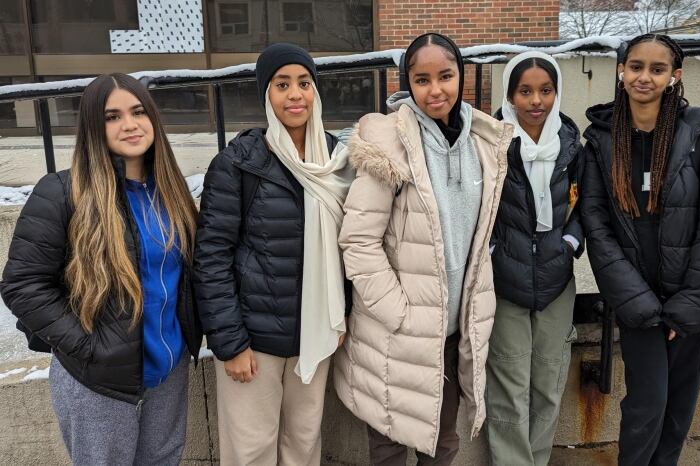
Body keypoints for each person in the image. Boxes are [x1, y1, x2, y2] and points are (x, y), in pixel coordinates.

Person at [0, 73, 202, 466]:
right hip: (98, 379)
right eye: (112, 116)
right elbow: (23, 284)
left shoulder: (171, 192)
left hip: (167, 370)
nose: (129, 124)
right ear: (94, 126)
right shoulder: (61, 192)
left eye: (138, 111)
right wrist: (87, 347)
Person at [333, 32, 513, 465]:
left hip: (453, 333)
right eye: (422, 79)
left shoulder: (483, 143)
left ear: (461, 77)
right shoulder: (389, 143)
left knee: (443, 444)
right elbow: (358, 240)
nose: (436, 90)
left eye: (446, 76)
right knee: (390, 447)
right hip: (397, 333)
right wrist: (399, 311)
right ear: (407, 83)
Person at [580, 33, 700, 466]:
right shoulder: (601, 141)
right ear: (621, 72)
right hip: (639, 305)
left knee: (677, 414)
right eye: (636, 66)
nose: (644, 77)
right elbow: (597, 229)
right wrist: (637, 303)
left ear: (675, 76)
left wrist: (691, 307)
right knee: (645, 408)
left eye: (657, 69)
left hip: (693, 303)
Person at [193, 43, 353, 466]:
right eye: (282, 84)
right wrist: (230, 344)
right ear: (267, 94)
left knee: (303, 447)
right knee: (251, 453)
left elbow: (349, 246)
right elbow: (211, 258)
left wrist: (342, 313)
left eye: (304, 83)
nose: (295, 94)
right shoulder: (238, 164)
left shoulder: (338, 160)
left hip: (315, 334)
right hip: (254, 342)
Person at [485, 51, 583, 466]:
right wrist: (493, 251)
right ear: (510, 95)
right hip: (505, 277)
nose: (536, 101)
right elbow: (478, 206)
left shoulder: (572, 145)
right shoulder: (491, 142)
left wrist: (570, 244)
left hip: (557, 275)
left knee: (548, 379)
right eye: (525, 91)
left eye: (545, 90)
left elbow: (586, 207)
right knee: (509, 383)